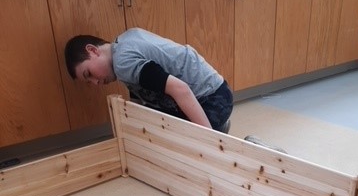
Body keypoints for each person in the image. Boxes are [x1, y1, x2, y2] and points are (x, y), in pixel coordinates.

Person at [64, 28, 233, 133]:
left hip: (212, 99)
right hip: (216, 92)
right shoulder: (122, 45)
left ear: (93, 50)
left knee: (170, 138)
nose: (95, 83)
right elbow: (141, 94)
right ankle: (215, 126)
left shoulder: (123, 63)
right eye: (89, 82)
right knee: (151, 125)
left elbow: (180, 89)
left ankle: (218, 130)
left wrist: (209, 140)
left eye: (89, 74)